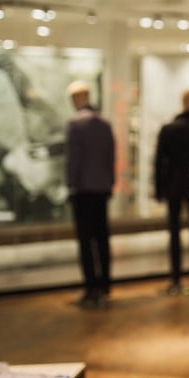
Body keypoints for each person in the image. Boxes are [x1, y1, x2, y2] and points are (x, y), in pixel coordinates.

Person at [154, 88, 189, 294]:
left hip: (174, 186)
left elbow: (159, 162)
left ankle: (176, 277)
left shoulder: (169, 129)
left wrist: (160, 189)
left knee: (175, 232)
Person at [65, 80, 116, 309]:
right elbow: (110, 157)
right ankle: (105, 284)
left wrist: (71, 185)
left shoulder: (76, 124)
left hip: (83, 189)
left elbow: (73, 161)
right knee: (102, 237)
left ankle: (90, 287)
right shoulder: (104, 123)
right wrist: (109, 183)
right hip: (102, 188)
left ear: (76, 98)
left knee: (86, 241)